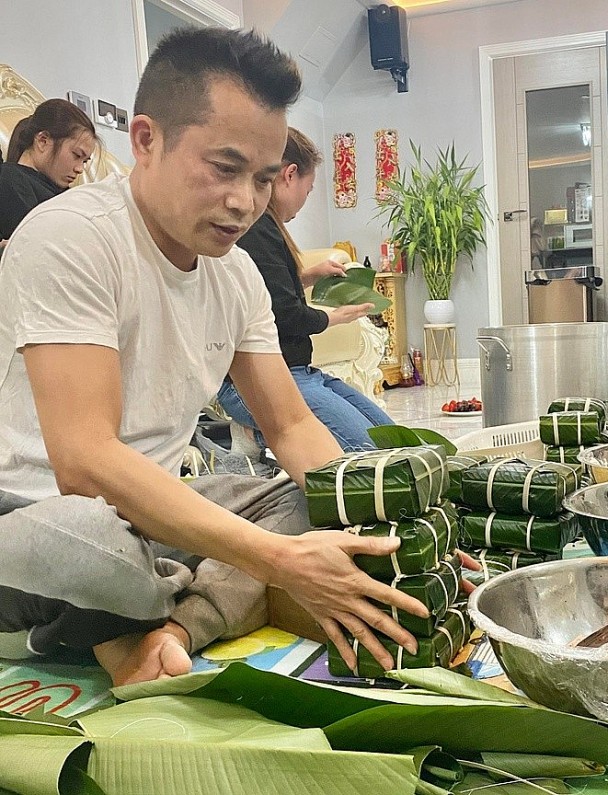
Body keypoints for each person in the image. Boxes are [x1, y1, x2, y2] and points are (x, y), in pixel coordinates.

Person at [0, 27, 432, 687]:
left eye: (262, 179)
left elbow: (290, 429)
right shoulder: (71, 237)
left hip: (154, 507)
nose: (244, 202)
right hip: (40, 515)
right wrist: (278, 562)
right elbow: (84, 462)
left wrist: (371, 525)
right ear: (146, 139)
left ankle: (169, 626)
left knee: (302, 501)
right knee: (93, 544)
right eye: (224, 168)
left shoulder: (233, 276)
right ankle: (165, 602)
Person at [217, 128, 393, 452]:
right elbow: (283, 314)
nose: (304, 200)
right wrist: (334, 317)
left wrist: (308, 276)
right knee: (370, 454)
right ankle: (258, 434)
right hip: (264, 382)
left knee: (393, 439)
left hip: (298, 371)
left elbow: (266, 292)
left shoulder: (265, 229)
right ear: (289, 174)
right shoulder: (258, 229)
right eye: (308, 190)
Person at [0, 98, 97, 239]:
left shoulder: (66, 192)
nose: (80, 169)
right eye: (76, 155)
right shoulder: (11, 180)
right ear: (43, 141)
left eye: (85, 161)